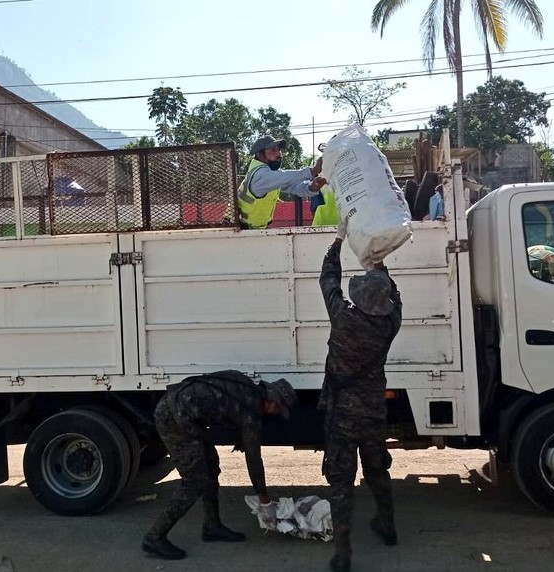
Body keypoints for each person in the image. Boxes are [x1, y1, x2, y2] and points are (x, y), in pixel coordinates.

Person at [318, 220, 403, 572]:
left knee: (341, 482)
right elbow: (395, 298)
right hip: (372, 414)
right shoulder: (388, 324)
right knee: (378, 471)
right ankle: (387, 526)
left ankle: (343, 553)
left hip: (341, 416)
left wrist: (337, 241)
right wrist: (379, 262)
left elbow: (328, 279)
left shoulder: (342, 317)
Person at [141, 370, 298, 560]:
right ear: (273, 401)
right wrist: (264, 498)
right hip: (174, 417)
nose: (277, 414)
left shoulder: (247, 387)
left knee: (211, 467)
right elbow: (254, 460)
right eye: (279, 410)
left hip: (186, 414)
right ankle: (155, 536)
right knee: (194, 482)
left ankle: (212, 526)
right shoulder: (250, 409)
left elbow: (222, 406)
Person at [226, 135, 326, 229]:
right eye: (273, 150)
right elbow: (286, 177)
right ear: (260, 155)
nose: (279, 154)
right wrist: (312, 171)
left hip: (247, 229)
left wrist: (311, 187)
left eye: (279, 150)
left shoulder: (268, 174)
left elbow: (293, 186)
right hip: (237, 229)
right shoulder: (260, 175)